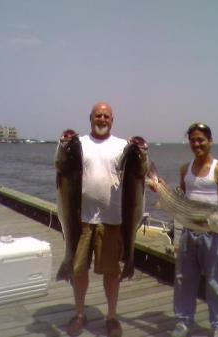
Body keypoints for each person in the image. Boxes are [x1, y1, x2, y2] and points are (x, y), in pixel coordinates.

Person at [66, 102, 127, 337]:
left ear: (112, 120)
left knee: (112, 272)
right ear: (90, 118)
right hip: (80, 219)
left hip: (112, 220)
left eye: (106, 116)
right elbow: (61, 168)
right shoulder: (77, 144)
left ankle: (111, 317)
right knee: (78, 270)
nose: (102, 119)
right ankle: (80, 313)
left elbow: (139, 172)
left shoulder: (122, 146)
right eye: (98, 115)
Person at [171, 123, 218, 337]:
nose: (197, 144)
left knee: (216, 281)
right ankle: (183, 322)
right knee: (183, 279)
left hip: (212, 234)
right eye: (193, 140)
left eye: (201, 140)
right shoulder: (184, 169)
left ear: (210, 141)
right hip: (188, 231)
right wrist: (160, 191)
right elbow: (180, 197)